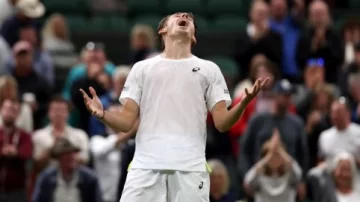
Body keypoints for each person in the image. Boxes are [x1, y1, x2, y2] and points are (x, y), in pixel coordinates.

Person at [80, 12, 268, 202]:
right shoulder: (141, 68)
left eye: (190, 19)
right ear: (163, 30)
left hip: (191, 169)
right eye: (177, 15)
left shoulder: (210, 70)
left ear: (193, 36)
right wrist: (102, 114)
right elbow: (127, 121)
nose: (185, 16)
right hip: (145, 168)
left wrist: (243, 103)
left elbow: (222, 123)